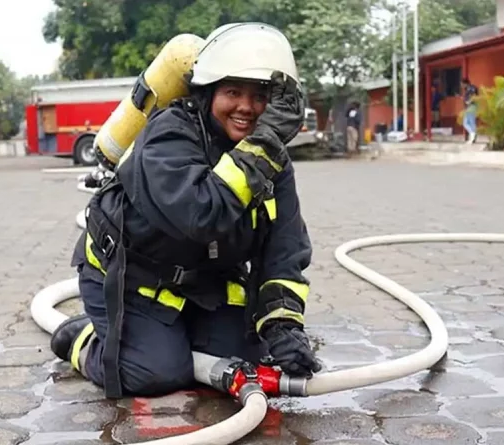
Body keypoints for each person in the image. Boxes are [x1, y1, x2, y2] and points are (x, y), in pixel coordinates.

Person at [50, 22, 321, 399]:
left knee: (246, 356)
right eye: (232, 91)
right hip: (132, 278)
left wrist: (283, 326)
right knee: (157, 373)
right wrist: (264, 144)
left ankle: (178, 336)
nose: (247, 106)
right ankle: (82, 340)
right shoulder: (170, 134)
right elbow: (201, 214)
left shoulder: (270, 158)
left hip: (204, 280)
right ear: (208, 93)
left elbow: (285, 248)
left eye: (260, 96)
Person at [461, 78, 479, 144]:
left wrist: (469, 101)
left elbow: (474, 96)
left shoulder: (472, 88)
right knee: (467, 123)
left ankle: (472, 136)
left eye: (462, 84)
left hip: (472, 107)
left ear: (465, 83)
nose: (461, 86)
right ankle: (473, 136)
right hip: (469, 107)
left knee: (469, 122)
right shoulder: (468, 89)